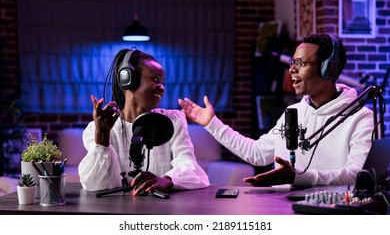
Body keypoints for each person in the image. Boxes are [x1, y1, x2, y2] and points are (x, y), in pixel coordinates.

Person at [178, 34, 374, 188]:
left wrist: (299, 177)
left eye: (301, 64)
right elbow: (256, 153)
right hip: (282, 209)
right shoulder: (294, 112)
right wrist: (212, 123)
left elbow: (357, 173)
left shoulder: (360, 118)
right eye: (292, 63)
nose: (292, 70)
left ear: (328, 70)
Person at [79, 48, 209, 195]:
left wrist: (166, 180)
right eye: (155, 79)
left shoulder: (172, 120)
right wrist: (102, 137)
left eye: (163, 82)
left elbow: (189, 164)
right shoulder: (97, 129)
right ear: (128, 79)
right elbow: (94, 184)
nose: (162, 88)